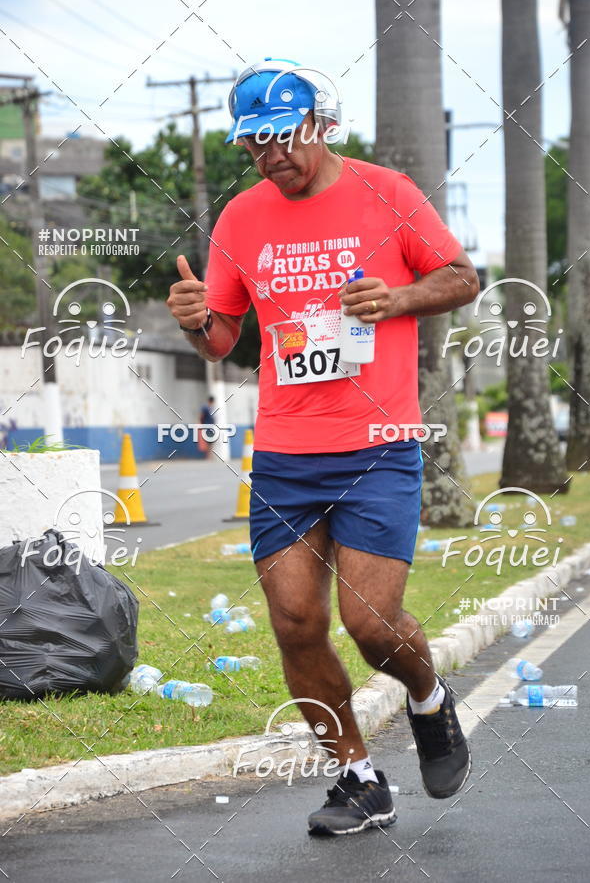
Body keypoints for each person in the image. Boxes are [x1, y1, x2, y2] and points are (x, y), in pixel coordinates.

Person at [167, 58, 480, 836]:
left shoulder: (387, 193)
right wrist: (196, 319)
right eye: (254, 145)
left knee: (372, 625)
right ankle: (357, 779)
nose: (271, 155)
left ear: (322, 125)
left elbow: (463, 276)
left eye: (283, 137)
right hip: (284, 452)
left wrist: (398, 297)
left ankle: (428, 698)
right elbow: (223, 340)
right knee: (297, 624)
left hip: (377, 444)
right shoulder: (241, 219)